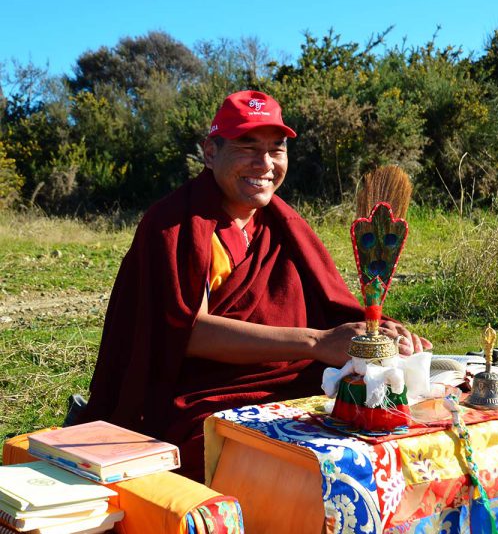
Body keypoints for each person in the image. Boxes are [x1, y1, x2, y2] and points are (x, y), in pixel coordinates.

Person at [78, 90, 431, 482]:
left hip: (297, 384)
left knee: (387, 436)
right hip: (204, 398)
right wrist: (315, 342)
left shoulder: (283, 224)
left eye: (276, 149)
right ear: (211, 152)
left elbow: (332, 304)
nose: (264, 164)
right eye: (247, 146)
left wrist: (376, 332)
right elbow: (186, 333)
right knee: (268, 466)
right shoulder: (175, 225)